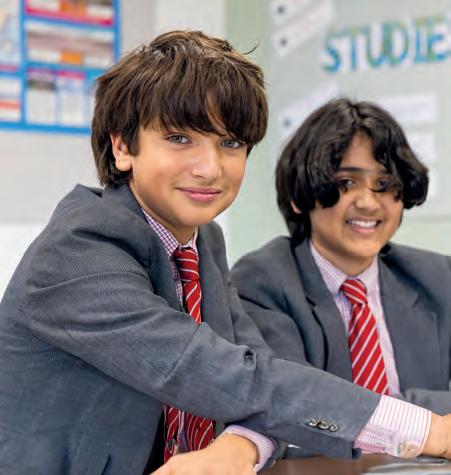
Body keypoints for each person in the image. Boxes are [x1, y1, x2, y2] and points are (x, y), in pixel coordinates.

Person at [0, 33, 450, 475]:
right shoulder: (78, 249)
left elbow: (261, 370)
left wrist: (242, 447)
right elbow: (213, 371)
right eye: (179, 138)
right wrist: (426, 430)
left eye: (230, 143)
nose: (209, 168)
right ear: (122, 147)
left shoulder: (203, 242)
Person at [231, 97, 451, 458]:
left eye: (384, 183)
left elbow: (330, 413)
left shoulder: (437, 277)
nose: (368, 202)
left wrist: (369, 413)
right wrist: (423, 421)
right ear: (301, 196)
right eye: (347, 182)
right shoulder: (263, 281)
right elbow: (288, 412)